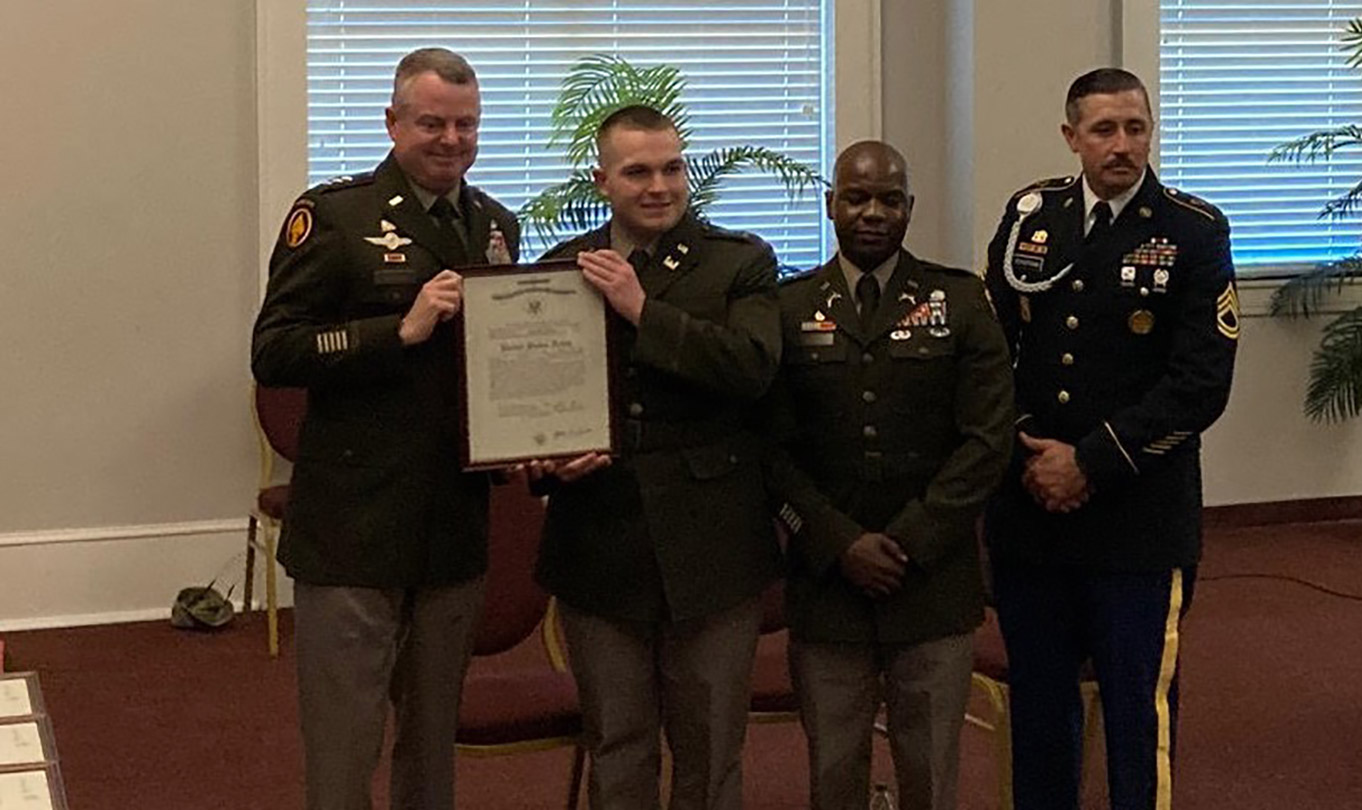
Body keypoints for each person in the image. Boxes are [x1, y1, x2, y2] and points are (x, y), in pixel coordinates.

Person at [250, 47, 518, 810]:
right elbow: (273, 351)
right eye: (431, 122)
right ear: (392, 122)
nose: (450, 140)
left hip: (452, 524)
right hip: (354, 527)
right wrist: (394, 331)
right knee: (345, 742)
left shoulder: (496, 227)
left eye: (466, 124)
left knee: (433, 743)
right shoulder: (335, 217)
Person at [981, 67, 1239, 810]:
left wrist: (1088, 462)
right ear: (1072, 138)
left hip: (1138, 521)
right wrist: (1028, 448)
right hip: (1031, 515)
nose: (1122, 145)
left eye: (1135, 128)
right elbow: (989, 352)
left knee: (1136, 716)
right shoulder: (1031, 216)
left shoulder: (1192, 230)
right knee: (1039, 711)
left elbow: (1200, 384)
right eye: (1104, 130)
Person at [526, 105, 783, 810]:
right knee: (617, 742)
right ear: (601, 179)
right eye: (637, 172)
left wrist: (643, 309)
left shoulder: (740, 263)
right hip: (598, 539)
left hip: (712, 543)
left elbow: (752, 366)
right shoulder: (560, 271)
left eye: (672, 169)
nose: (659, 186)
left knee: (709, 748)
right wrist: (540, 459)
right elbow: (533, 402)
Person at [765, 141, 1014, 810]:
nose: (873, 212)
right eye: (857, 197)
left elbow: (987, 440)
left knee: (931, 771)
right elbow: (770, 448)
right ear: (830, 205)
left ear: (910, 209)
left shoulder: (959, 302)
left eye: (889, 200)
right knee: (834, 771)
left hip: (932, 580)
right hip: (828, 581)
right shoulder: (787, 310)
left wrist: (909, 541)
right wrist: (838, 542)